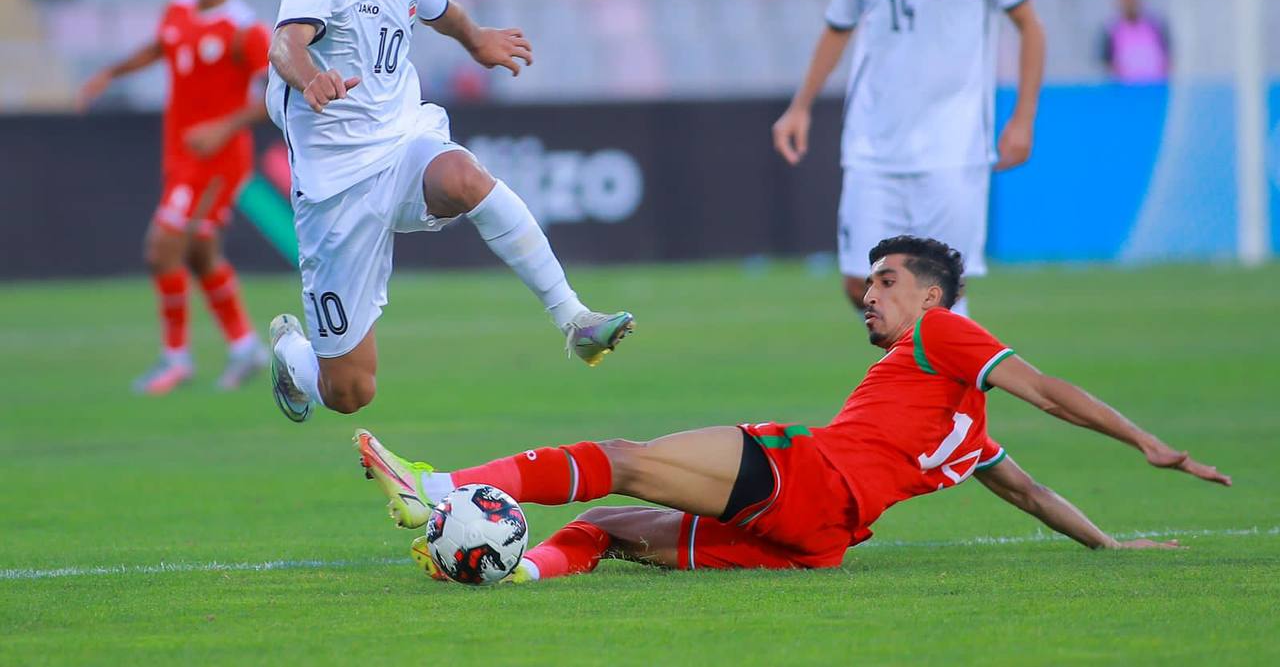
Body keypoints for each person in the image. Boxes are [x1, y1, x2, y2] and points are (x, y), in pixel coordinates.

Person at [356, 235, 1230, 583]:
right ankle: (508, 569)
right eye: (869, 283)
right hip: (817, 543)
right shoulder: (965, 437)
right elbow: (1036, 496)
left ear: (932, 294)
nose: (870, 295)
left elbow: (1051, 391)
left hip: (808, 476)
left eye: (887, 281)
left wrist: (1146, 442)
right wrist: (1112, 543)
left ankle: (437, 486)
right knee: (609, 524)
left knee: (622, 453)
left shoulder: (945, 334)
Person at [265, 0, 633, 423]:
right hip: (336, 192)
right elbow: (286, 42)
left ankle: (574, 317)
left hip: (401, 144)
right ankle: (292, 356)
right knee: (350, 392)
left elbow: (446, 12)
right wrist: (310, 78)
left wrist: (478, 40)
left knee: (464, 176)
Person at [771, 0, 1047, 317]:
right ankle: (921, 388)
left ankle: (949, 396)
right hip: (873, 148)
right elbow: (838, 27)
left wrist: (1023, 119)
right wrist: (800, 108)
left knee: (940, 294)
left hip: (953, 150)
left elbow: (1029, 27)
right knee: (863, 286)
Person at [78, 0, 271, 394]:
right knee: (200, 253)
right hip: (180, 154)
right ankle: (245, 347)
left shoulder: (245, 30)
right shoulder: (179, 9)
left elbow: (274, 97)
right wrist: (111, 73)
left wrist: (223, 127)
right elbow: (161, 47)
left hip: (218, 159)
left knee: (161, 248)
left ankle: (175, 358)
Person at [1100, 0, 1171, 83]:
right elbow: (1108, 66)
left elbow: (1168, 61)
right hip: (1125, 94)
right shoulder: (1110, 30)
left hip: (1155, 91)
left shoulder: (1156, 26)